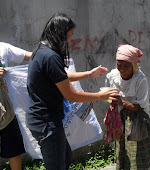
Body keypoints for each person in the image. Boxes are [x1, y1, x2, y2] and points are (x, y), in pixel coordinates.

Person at [26, 13, 119, 170]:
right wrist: (99, 96)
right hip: (46, 123)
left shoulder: (41, 50)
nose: (70, 41)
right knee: (57, 166)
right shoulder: (50, 56)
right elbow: (71, 95)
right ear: (60, 34)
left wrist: (89, 74)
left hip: (42, 120)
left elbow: (61, 77)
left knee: (65, 158)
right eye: (69, 36)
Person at [106, 44, 150, 170]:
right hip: (120, 118)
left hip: (138, 119)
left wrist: (121, 102)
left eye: (126, 66)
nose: (122, 69)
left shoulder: (140, 79)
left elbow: (139, 107)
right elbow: (110, 95)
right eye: (119, 64)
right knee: (121, 149)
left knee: (137, 152)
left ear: (134, 66)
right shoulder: (113, 76)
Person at [0, 42, 32, 170]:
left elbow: (30, 56)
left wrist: (52, 55)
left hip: (6, 108)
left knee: (13, 148)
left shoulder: (3, 47)